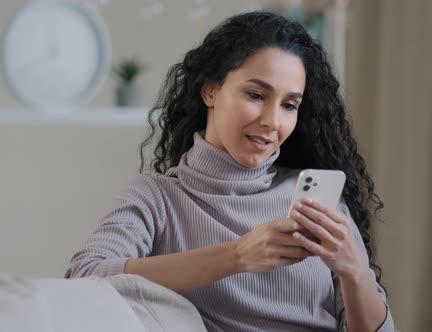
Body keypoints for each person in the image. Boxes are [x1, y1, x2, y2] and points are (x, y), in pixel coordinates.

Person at [66, 11, 395, 332]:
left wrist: (354, 271)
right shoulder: (157, 198)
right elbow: (86, 277)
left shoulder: (317, 203)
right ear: (210, 90)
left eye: (289, 105)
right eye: (256, 95)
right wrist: (236, 256)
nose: (272, 121)